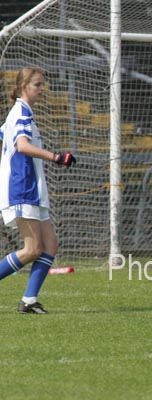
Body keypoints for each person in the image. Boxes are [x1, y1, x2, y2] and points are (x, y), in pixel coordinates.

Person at [0, 66, 76, 314]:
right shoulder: (21, 111)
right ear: (24, 86)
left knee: (50, 243)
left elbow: (6, 134)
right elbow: (22, 146)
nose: (42, 89)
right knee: (32, 249)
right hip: (22, 188)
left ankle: (29, 301)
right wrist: (55, 156)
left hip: (32, 188)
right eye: (38, 85)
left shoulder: (20, 113)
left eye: (42, 84)